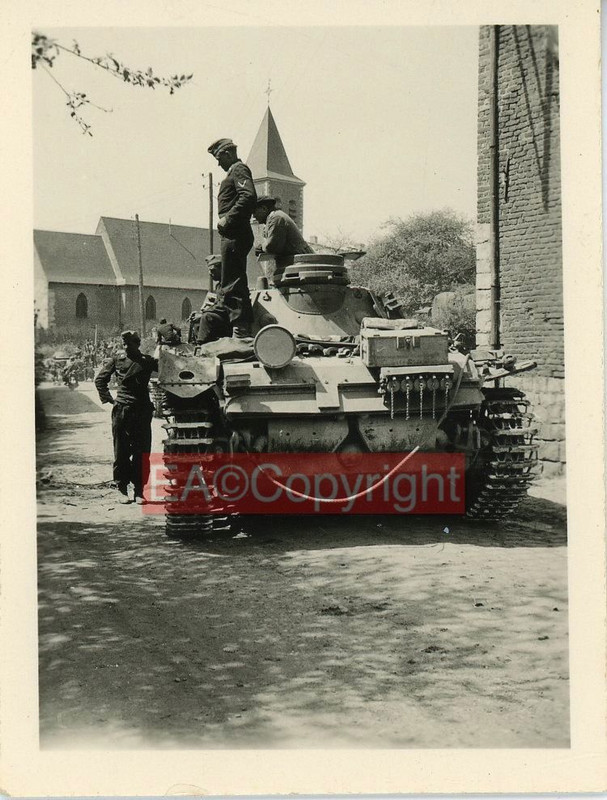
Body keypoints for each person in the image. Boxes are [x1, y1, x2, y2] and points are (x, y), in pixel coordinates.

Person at [94, 330, 158, 505]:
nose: (126, 347)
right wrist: (109, 399)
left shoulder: (147, 361)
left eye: (130, 344)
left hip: (142, 410)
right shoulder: (117, 360)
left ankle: (139, 490)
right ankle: (121, 488)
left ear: (138, 344)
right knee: (121, 451)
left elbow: (167, 369)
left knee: (142, 451)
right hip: (122, 409)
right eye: (124, 344)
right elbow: (100, 379)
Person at [207, 138, 257, 338]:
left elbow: (249, 197)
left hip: (235, 231)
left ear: (228, 153)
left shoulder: (238, 169)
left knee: (232, 282)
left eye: (219, 158)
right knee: (232, 279)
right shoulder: (235, 171)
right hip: (234, 232)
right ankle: (238, 326)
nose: (219, 163)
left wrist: (228, 219)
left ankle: (240, 328)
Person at [252, 195, 313, 282]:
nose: (253, 216)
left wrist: (261, 247)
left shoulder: (276, 218)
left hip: (301, 265)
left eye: (254, 212)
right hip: (295, 265)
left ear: (264, 209)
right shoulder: (274, 217)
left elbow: (272, 246)